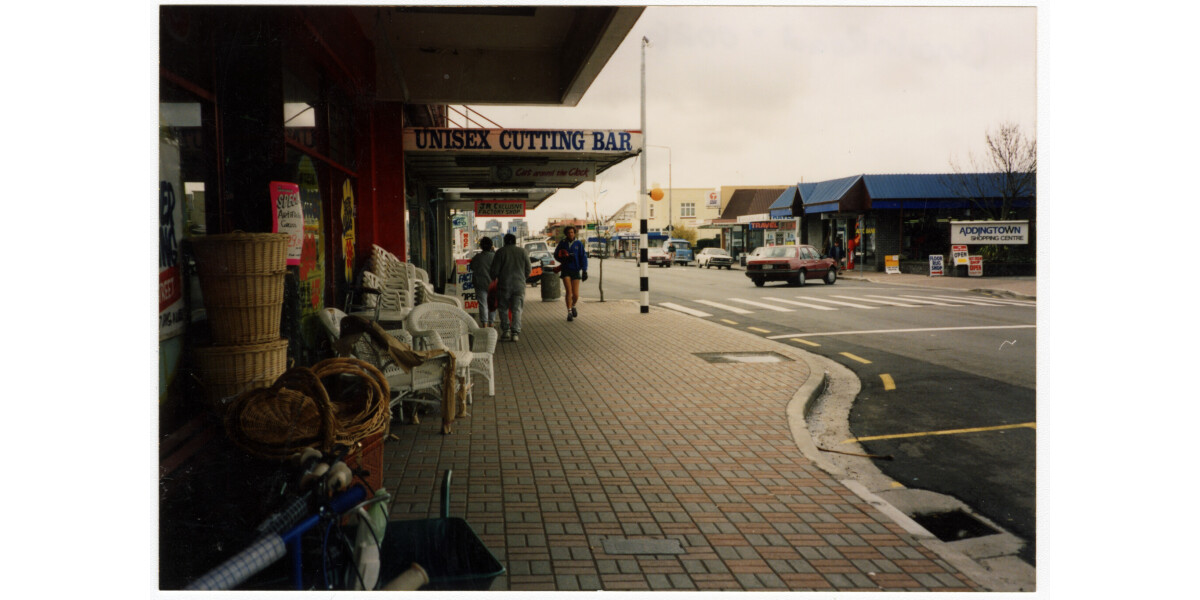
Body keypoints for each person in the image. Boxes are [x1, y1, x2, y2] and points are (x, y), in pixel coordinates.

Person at [489, 233, 530, 342]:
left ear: (505, 241)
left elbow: (494, 271)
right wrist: (522, 278)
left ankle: (506, 331)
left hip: (504, 285)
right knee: (517, 309)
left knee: (503, 308)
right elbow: (528, 270)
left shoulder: (500, 252)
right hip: (519, 285)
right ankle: (515, 332)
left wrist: (495, 277)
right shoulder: (523, 252)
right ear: (515, 241)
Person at [554, 226, 589, 321]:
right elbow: (556, 254)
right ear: (566, 234)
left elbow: (583, 257)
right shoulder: (562, 243)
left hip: (575, 270)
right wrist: (563, 258)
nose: (570, 234)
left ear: (574, 233)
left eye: (572, 232)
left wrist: (585, 270)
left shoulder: (578, 244)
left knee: (576, 294)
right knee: (569, 292)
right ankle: (569, 312)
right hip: (566, 269)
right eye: (569, 232)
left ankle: (573, 305)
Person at [468, 237, 495, 328]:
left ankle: (484, 324)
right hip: (493, 284)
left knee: (483, 304)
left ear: (481, 246)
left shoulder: (477, 257)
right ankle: (491, 323)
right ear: (491, 246)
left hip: (480, 284)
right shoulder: (495, 257)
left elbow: (472, 267)